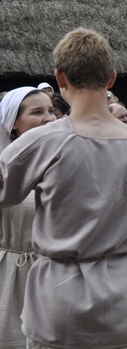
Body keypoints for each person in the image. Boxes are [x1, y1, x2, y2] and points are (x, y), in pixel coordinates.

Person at [0, 28, 127, 348]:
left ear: (60, 78)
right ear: (112, 78)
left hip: (63, 301)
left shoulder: (43, 141)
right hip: (124, 297)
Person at [0, 87, 56, 348]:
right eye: (37, 112)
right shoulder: (3, 167)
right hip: (8, 276)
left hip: (52, 275)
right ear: (13, 123)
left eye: (50, 110)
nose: (48, 118)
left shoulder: (62, 162)